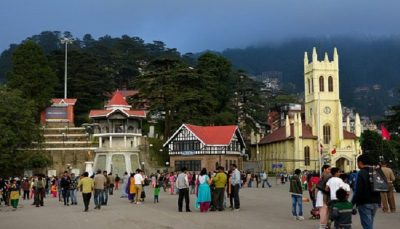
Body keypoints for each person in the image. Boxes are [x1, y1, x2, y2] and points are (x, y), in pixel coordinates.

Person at [352, 154, 381, 229]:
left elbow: (358, 190)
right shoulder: (376, 171)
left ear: (360, 163)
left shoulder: (361, 173)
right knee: (370, 223)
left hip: (364, 202)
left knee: (367, 225)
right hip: (375, 201)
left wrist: (352, 203)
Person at [316, 165, 332, 229]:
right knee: (324, 211)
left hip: (324, 195)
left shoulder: (323, 176)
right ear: (324, 169)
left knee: (326, 210)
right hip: (323, 195)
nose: (330, 170)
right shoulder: (326, 176)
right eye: (328, 169)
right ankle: (323, 225)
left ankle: (325, 225)